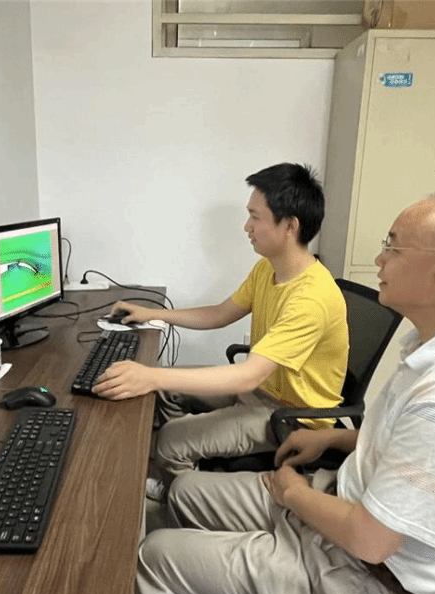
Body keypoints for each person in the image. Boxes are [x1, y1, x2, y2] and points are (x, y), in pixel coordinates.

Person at [135, 191, 435, 594]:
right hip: (342, 498)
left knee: (154, 555)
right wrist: (337, 438)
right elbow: (408, 444)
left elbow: (372, 541)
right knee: (185, 492)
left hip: (365, 571)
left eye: (393, 248)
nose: (380, 259)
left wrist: (295, 494)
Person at [92, 163, 349, 499]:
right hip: (262, 391)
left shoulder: (311, 297)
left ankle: (185, 499)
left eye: (255, 217)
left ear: (289, 226)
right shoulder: (267, 269)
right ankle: (184, 476)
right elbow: (219, 314)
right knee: (166, 391)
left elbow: (248, 376)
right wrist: (153, 314)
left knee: (170, 439)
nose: (247, 226)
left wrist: (150, 376)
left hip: (291, 416)